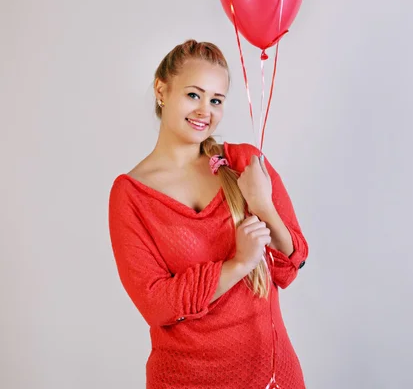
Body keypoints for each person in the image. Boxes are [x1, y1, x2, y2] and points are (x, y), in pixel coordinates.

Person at [108, 39, 309, 389]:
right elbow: (155, 304)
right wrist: (237, 265)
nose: (206, 111)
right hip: (184, 380)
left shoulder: (245, 162)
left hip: (272, 377)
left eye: (216, 100)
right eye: (193, 95)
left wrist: (263, 206)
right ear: (161, 90)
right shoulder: (131, 195)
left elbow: (291, 266)